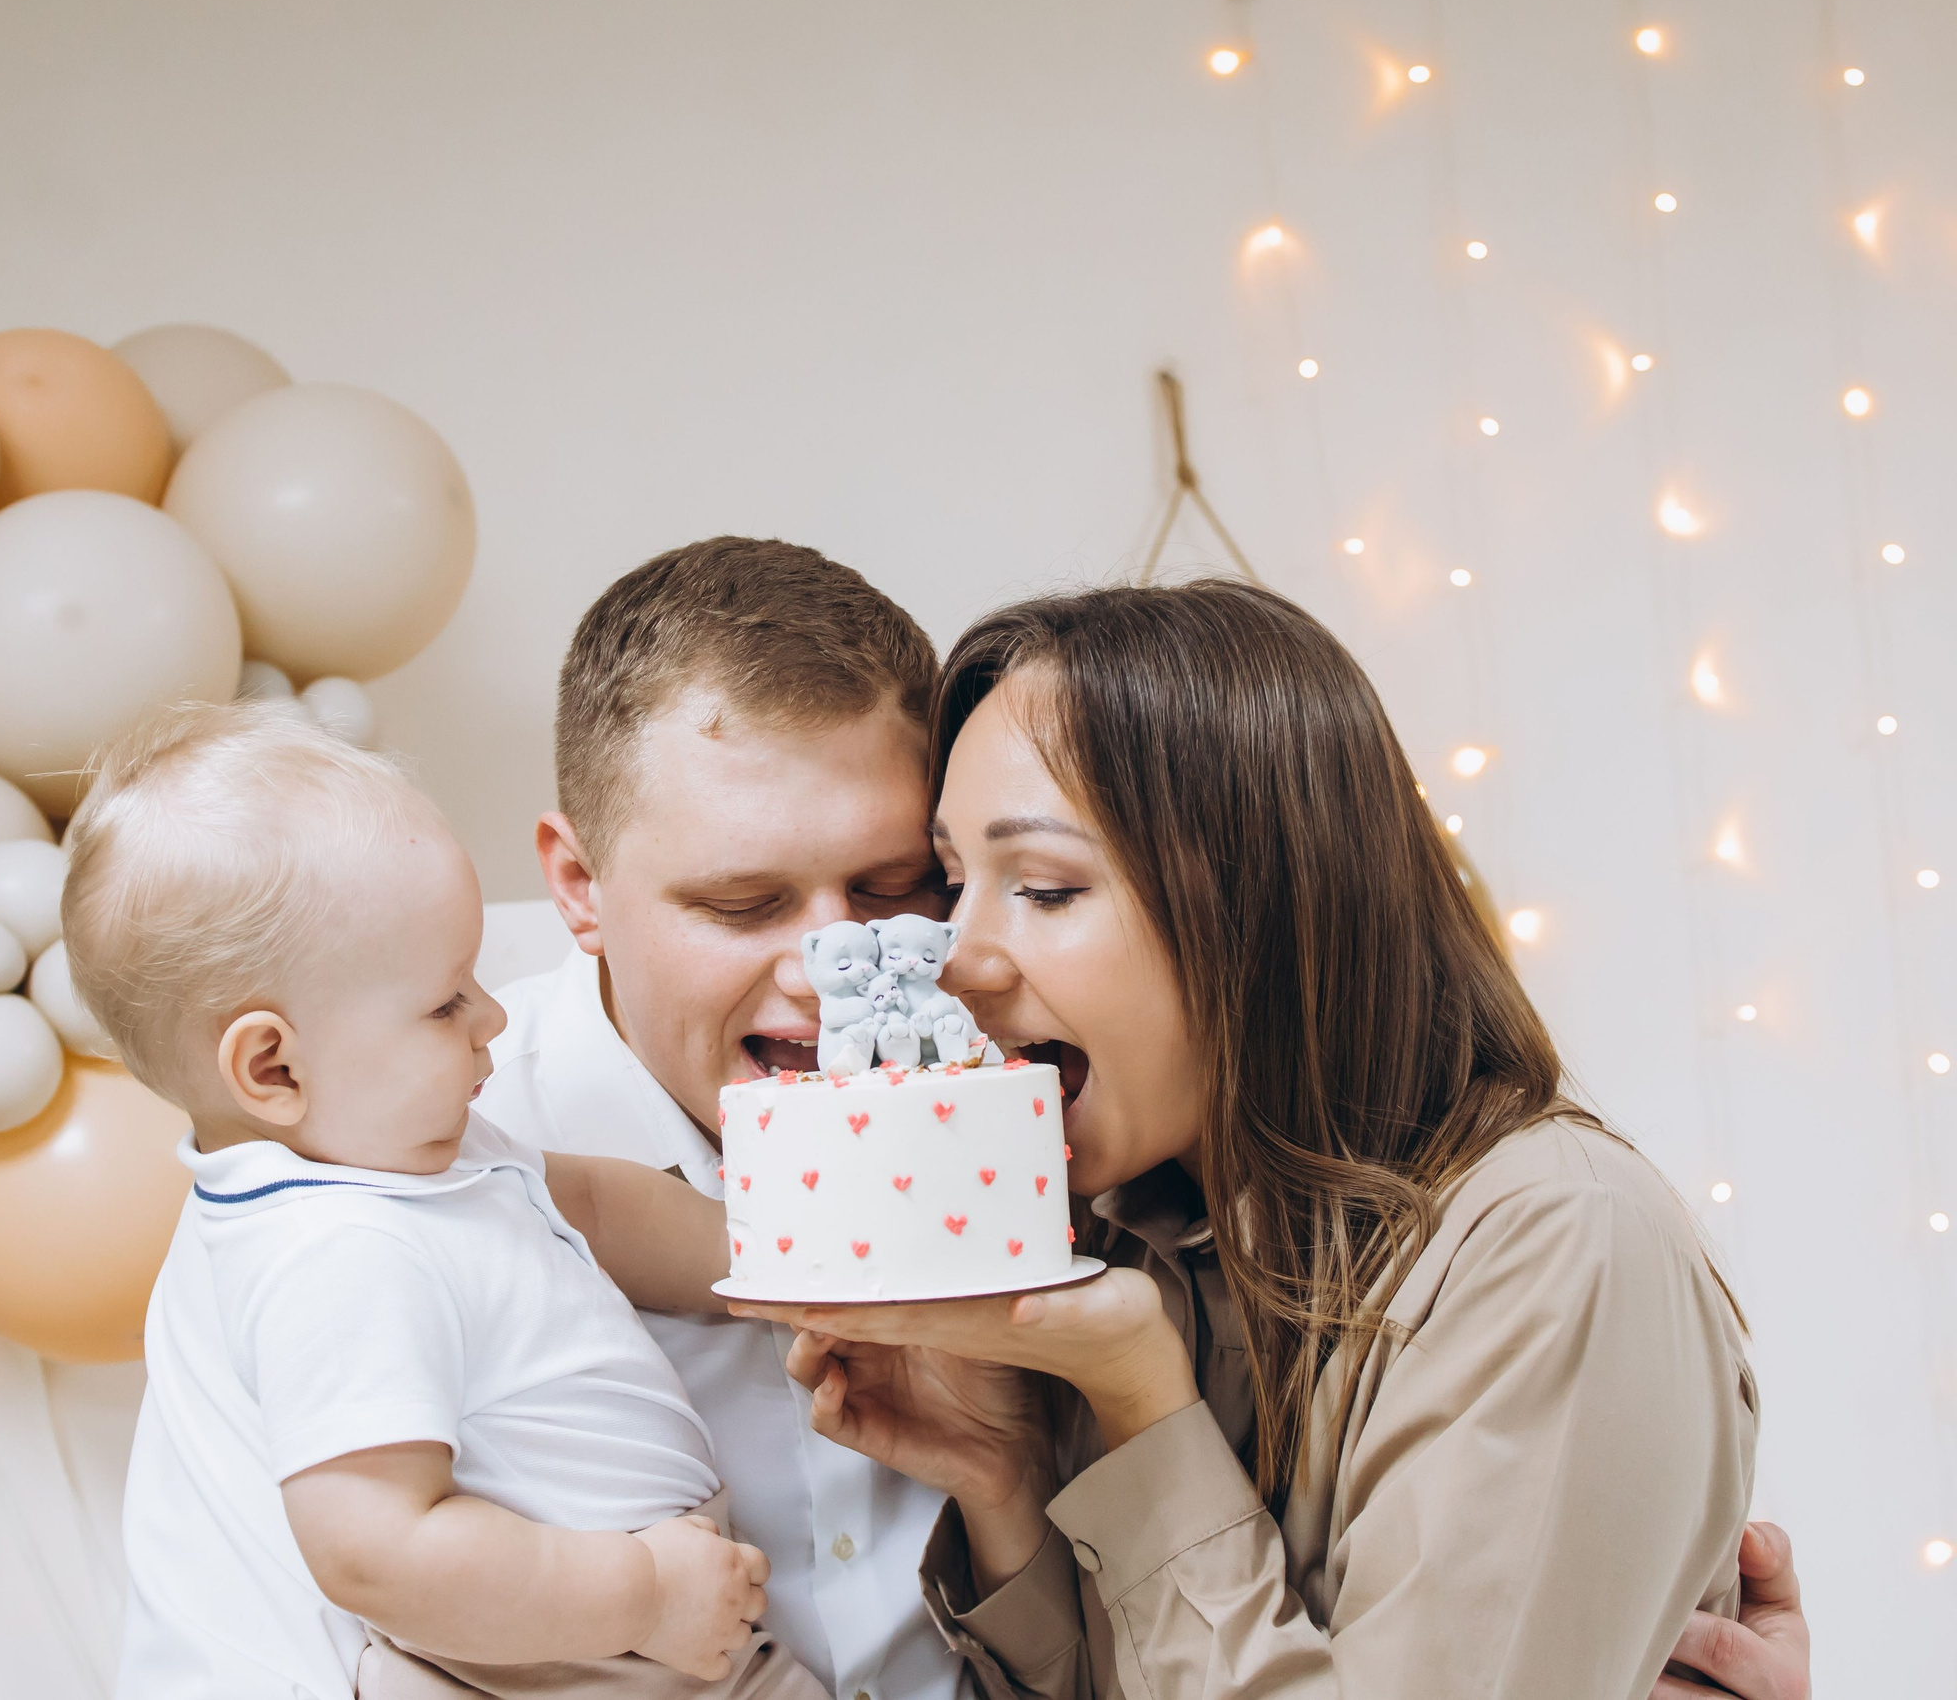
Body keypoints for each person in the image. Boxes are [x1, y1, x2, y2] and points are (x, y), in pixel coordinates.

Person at [733, 580, 1768, 1699]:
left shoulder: (1558, 1244)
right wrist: (1005, 1481)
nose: (956, 954)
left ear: (1258, 911)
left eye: (1043, 885)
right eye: (950, 881)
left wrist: (1143, 1410)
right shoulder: (1136, 1237)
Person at [60, 701, 814, 1700]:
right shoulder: (336, 1253)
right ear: (273, 1067)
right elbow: (380, 1550)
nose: (491, 1015)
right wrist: (641, 1593)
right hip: (566, 1661)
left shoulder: (404, 1160)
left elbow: (587, 1201)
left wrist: (777, 1258)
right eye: (446, 998)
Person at [476, 537, 974, 1700]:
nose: (832, 966)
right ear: (578, 888)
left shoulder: (1035, 1114)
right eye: (741, 903)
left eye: (894, 889)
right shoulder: (415, 1162)